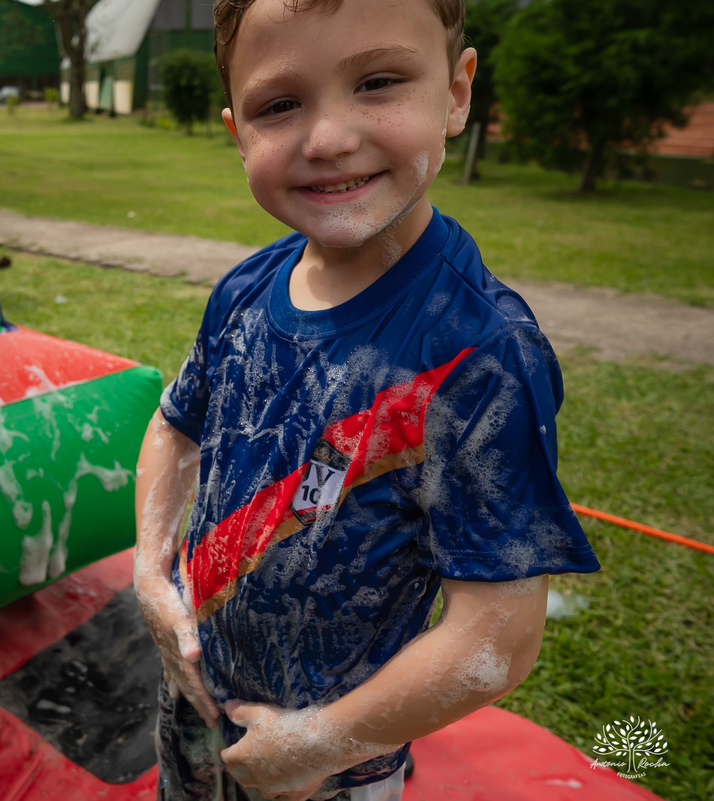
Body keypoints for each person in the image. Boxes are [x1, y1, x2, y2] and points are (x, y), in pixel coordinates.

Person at [132, 0, 602, 799]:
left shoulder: (479, 356)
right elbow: (176, 426)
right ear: (237, 129)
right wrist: (150, 567)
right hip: (193, 699)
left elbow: (496, 636)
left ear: (456, 93)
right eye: (280, 105)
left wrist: (317, 744)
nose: (328, 138)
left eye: (378, 81)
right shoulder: (245, 290)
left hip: (332, 768)